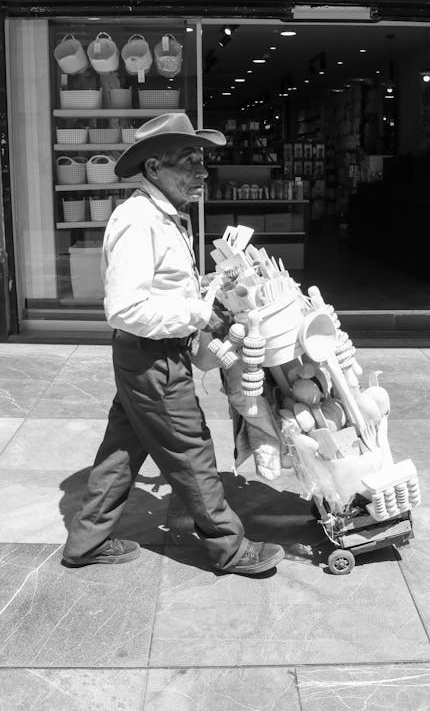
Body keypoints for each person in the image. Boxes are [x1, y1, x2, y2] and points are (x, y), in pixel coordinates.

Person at [62, 112, 285, 576]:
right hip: (154, 358)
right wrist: (196, 313)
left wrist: (202, 288)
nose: (202, 171)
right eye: (189, 161)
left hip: (147, 357)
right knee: (191, 450)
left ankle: (86, 541)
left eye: (202, 160)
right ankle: (230, 547)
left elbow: (157, 290)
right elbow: (123, 309)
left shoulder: (164, 216)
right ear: (153, 169)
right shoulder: (137, 222)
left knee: (123, 447)